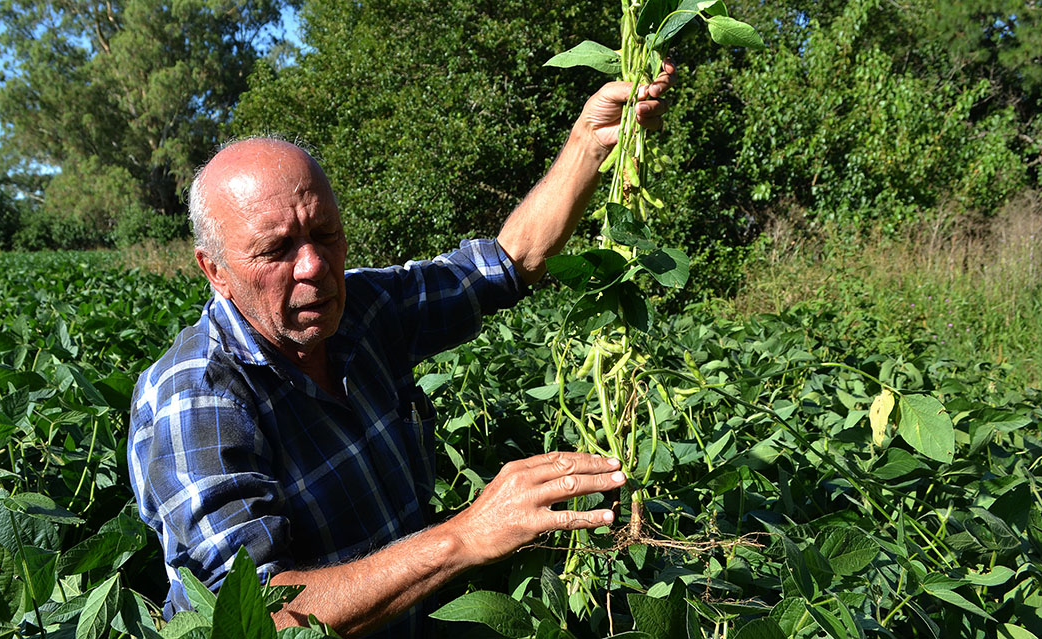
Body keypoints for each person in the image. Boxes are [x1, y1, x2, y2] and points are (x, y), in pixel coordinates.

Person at [127, 63, 677, 638]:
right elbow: (253, 621)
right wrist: (466, 537)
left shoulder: (360, 310)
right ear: (214, 270)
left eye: (326, 234)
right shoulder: (195, 400)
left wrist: (589, 143)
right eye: (277, 250)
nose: (313, 266)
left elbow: (507, 263)